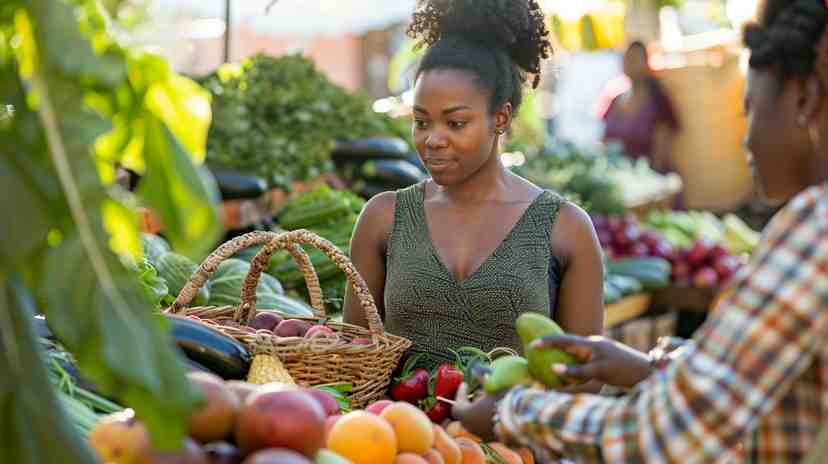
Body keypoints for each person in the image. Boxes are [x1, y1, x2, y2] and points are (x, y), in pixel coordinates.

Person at [452, 0, 828, 461]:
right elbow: (761, 371)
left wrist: (510, 411)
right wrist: (651, 367)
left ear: (804, 99)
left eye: (751, 110)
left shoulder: (816, 229)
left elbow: (660, 435)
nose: (746, 139)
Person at [343, 0, 605, 376]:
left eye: (456, 123)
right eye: (421, 121)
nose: (433, 139)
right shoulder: (384, 218)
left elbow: (585, 375)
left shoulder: (565, 228)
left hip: (512, 430)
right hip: (394, 431)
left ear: (500, 118)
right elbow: (353, 354)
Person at [599, 41, 680, 174]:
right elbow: (605, 140)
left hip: (649, 180)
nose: (629, 63)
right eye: (626, 58)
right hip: (617, 177)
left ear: (646, 63)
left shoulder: (657, 100)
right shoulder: (616, 99)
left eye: (634, 58)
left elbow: (662, 148)